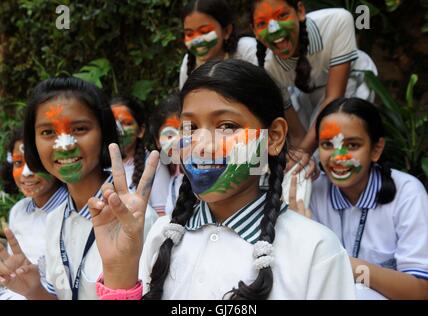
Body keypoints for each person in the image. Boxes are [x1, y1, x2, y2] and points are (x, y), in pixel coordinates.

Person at [89, 59, 356, 300]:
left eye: (227, 126)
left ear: (273, 137)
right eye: (190, 127)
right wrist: (119, 268)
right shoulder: (161, 235)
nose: (202, 145)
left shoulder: (315, 250)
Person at [0, 77, 157, 300]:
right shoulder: (55, 221)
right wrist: (34, 291)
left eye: (80, 129)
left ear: (104, 132)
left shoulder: (134, 219)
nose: (65, 144)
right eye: (47, 132)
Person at [310, 97, 428, 299]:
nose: (339, 157)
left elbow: (420, 290)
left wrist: (342, 263)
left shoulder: (408, 194)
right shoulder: (311, 192)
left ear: (376, 150)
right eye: (328, 144)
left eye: (353, 145)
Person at [249, 0, 378, 158]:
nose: (274, 29)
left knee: (334, 140)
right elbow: (297, 133)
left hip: (350, 81)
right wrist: (297, 160)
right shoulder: (268, 69)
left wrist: (303, 153)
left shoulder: (338, 21)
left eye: (282, 15)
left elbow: (334, 97)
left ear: (300, 11)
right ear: (254, 30)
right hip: (307, 90)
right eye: (262, 23)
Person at [0, 128, 67, 300]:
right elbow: (15, 266)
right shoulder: (18, 211)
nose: (26, 172)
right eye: (18, 163)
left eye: (34, 162)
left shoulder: (72, 212)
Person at [179, 0, 258, 89]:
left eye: (204, 31)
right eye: (189, 34)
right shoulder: (189, 62)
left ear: (226, 31)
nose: (197, 41)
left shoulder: (247, 50)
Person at [147, 94, 183, 217]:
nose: (178, 140)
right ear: (157, 141)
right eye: (169, 135)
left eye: (185, 130)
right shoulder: (169, 171)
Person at [110, 97, 147, 190]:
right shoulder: (95, 165)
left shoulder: (152, 164)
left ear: (141, 131)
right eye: (111, 123)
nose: (117, 129)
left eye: (126, 123)